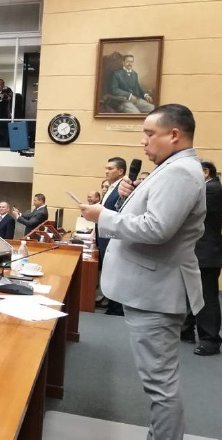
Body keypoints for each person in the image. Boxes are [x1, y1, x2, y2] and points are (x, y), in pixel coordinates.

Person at [79, 104, 204, 440]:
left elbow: (157, 229)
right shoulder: (172, 168)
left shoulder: (180, 172)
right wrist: (128, 200)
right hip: (151, 287)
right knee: (158, 381)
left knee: (160, 384)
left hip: (156, 291)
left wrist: (101, 216)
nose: (143, 142)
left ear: (174, 135)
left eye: (150, 134)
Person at [180, 160, 222, 356]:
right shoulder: (208, 187)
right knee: (190, 293)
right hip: (199, 251)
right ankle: (186, 329)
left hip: (206, 253)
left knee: (206, 297)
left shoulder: (212, 189)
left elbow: (187, 207)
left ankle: (211, 339)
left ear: (205, 172)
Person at [96, 157, 127, 315]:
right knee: (109, 273)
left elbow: (117, 214)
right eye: (106, 168)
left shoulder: (122, 189)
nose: (106, 171)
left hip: (112, 238)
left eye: (110, 168)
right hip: (105, 237)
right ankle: (111, 304)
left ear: (121, 171)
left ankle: (116, 308)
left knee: (115, 275)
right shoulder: (111, 187)